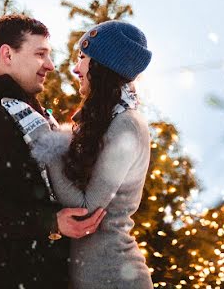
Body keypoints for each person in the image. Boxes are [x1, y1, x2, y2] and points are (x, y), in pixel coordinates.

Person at [0, 14, 106, 289]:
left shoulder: (32, 115)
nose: (50, 65)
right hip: (5, 279)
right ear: (7, 54)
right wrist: (50, 221)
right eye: (40, 54)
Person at [30, 20, 154, 289]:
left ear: (102, 65)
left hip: (116, 278)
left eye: (83, 58)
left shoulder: (127, 125)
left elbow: (85, 209)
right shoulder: (107, 120)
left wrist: (47, 145)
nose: (75, 68)